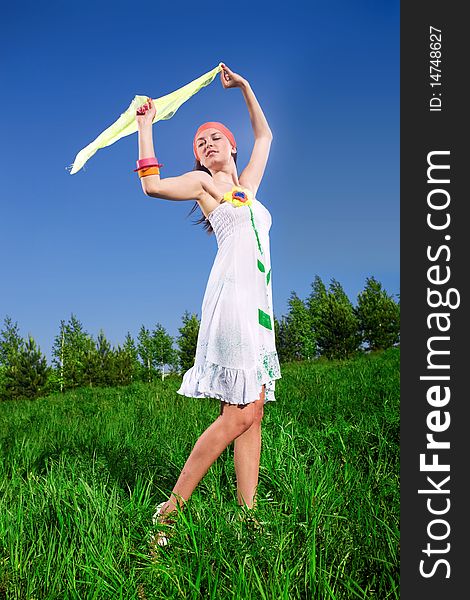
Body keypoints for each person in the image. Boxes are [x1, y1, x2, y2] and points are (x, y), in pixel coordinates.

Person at [135, 63, 281, 546]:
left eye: (215, 137)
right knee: (237, 414)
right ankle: (170, 512)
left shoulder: (248, 189)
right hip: (232, 305)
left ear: (231, 146)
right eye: (200, 143)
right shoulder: (208, 188)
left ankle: (248, 517)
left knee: (253, 412)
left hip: (260, 308)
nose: (208, 144)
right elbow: (153, 185)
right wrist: (145, 127)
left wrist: (245, 86)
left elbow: (266, 136)